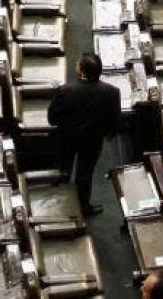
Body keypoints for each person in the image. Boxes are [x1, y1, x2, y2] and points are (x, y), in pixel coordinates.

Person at [46, 52, 121, 215]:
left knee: (63, 170)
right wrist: (106, 134)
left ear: (81, 70)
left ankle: (60, 206)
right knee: (85, 173)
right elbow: (114, 121)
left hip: (66, 139)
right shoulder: (112, 92)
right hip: (93, 140)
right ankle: (83, 207)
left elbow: (52, 119)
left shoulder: (64, 91)